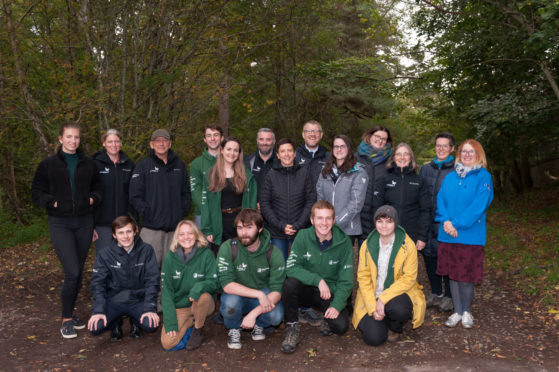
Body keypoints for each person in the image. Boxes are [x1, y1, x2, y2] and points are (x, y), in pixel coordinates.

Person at [31, 123, 102, 339]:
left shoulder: (89, 164)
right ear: (61, 139)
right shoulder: (48, 165)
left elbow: (99, 190)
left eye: (77, 137)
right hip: (60, 223)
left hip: (84, 222)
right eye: (69, 137)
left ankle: (71, 313)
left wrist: (92, 199)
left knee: (78, 271)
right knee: (72, 271)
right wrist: (52, 203)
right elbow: (36, 192)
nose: (73, 141)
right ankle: (66, 319)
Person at [281, 201, 354, 353]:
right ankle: (292, 327)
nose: (324, 223)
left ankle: (330, 315)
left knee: (340, 327)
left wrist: (337, 305)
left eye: (328, 218)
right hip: (308, 289)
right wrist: (317, 280)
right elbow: (292, 267)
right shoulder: (302, 236)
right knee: (289, 284)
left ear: (334, 220)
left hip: (330, 293)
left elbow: (346, 280)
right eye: (319, 218)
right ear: (312, 220)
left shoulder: (344, 242)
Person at [436, 139, 494, 329]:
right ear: (459, 154)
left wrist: (456, 224)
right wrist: (445, 221)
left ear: (478, 154)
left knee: (465, 276)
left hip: (470, 235)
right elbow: (441, 200)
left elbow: (478, 206)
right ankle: (457, 311)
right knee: (453, 274)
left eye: (472, 152)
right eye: (464, 151)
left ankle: (467, 311)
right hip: (447, 233)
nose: (467, 155)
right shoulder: (451, 177)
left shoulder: (483, 177)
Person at [352, 206, 426, 346]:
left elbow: (409, 278)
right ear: (375, 223)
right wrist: (373, 306)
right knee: (374, 339)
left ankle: (394, 326)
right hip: (372, 295)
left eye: (389, 221)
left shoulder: (407, 244)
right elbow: (363, 278)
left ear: (395, 223)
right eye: (380, 221)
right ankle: (379, 318)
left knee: (400, 310)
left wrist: (383, 299)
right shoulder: (367, 245)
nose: (384, 225)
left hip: (396, 295)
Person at [217, 209, 286, 350]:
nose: (244, 233)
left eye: (249, 227)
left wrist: (254, 313)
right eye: (240, 228)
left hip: (261, 297)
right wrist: (259, 294)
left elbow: (277, 292)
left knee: (276, 316)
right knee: (230, 303)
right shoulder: (228, 248)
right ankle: (234, 328)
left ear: (260, 229)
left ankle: (258, 323)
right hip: (237, 295)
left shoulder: (273, 252)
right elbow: (227, 285)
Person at [87, 216, 160, 340]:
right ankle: (115, 323)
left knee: (151, 325)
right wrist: (98, 310)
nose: (125, 236)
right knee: (95, 328)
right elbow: (97, 283)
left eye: (128, 231)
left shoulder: (146, 250)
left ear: (135, 231)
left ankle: (136, 322)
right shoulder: (105, 254)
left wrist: (149, 308)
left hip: (137, 299)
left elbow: (152, 280)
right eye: (120, 232)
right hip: (114, 300)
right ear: (114, 235)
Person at [129, 128, 191, 267]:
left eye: (165, 140)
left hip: (175, 229)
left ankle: (168, 290)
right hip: (152, 229)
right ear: (152, 144)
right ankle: (150, 291)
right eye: (158, 141)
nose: (161, 143)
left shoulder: (179, 166)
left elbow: (186, 192)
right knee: (149, 268)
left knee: (173, 268)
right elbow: (134, 195)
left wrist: (181, 212)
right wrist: (148, 213)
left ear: (170, 144)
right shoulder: (143, 166)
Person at [160, 220, 219, 351]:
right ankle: (190, 324)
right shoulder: (170, 257)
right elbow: (166, 293)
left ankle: (198, 329)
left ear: (197, 235)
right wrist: (170, 323)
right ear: (177, 237)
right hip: (180, 307)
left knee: (203, 296)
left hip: (202, 303)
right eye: (182, 234)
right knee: (168, 344)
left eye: (190, 233)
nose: (186, 237)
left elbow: (215, 282)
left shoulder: (206, 254)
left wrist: (198, 287)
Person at [260, 138, 317, 260]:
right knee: (280, 268)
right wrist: (281, 225)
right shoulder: (270, 175)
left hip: (301, 231)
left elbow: (310, 201)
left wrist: (298, 224)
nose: (286, 154)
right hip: (277, 232)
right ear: (278, 155)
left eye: (289, 150)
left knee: (301, 267)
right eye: (282, 151)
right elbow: (265, 204)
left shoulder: (304, 174)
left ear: (295, 153)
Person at [419, 132, 456, 312]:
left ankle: (449, 295)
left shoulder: (457, 169)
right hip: (427, 220)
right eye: (438, 145)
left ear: (452, 148)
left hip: (447, 222)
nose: (441, 149)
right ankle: (436, 292)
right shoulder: (425, 169)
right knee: (429, 256)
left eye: (445, 146)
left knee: (446, 258)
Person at [373, 143, 430, 253]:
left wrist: (422, 236)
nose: (402, 157)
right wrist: (377, 231)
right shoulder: (384, 180)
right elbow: (376, 207)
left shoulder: (420, 181)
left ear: (411, 157)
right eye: (398, 154)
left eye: (406, 154)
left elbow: (425, 210)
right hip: (386, 232)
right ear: (393, 157)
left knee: (407, 268)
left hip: (411, 234)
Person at [201, 136, 258, 248]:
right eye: (229, 149)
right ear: (221, 150)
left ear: (239, 153)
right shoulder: (211, 175)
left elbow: (252, 206)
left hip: (241, 224)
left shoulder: (247, 176)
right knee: (221, 261)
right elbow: (205, 204)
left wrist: (250, 226)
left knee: (240, 261)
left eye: (235, 150)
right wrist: (207, 230)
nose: (232, 153)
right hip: (219, 224)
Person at [316, 135, 369, 241]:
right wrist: (324, 220)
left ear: (349, 149)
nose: (339, 149)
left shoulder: (358, 172)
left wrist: (336, 222)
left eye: (342, 146)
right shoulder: (325, 171)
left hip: (347, 230)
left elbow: (356, 204)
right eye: (336, 146)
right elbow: (320, 198)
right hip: (325, 227)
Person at [92, 129, 136, 253]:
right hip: (102, 224)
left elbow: (133, 194)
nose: (113, 145)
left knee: (125, 260)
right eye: (110, 141)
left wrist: (134, 220)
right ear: (103, 143)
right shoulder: (94, 164)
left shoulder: (129, 165)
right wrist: (91, 225)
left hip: (124, 223)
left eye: (117, 141)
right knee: (105, 259)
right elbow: (89, 195)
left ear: (121, 143)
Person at [357, 126, 393, 242]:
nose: (380, 140)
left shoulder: (391, 161)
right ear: (369, 136)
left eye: (384, 139)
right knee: (363, 250)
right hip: (359, 213)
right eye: (377, 136)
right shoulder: (356, 158)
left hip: (381, 214)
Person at [190, 124, 223, 228]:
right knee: (204, 244)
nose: (212, 138)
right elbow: (196, 191)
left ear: (222, 138)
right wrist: (210, 211)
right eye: (209, 135)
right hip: (203, 215)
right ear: (205, 139)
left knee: (227, 244)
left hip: (226, 213)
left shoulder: (229, 160)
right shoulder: (196, 164)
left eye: (216, 135)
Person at [243, 128, 279, 205]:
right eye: (261, 139)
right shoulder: (247, 161)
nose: (264, 143)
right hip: (253, 210)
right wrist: (253, 204)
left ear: (274, 142)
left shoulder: (280, 161)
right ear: (257, 141)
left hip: (276, 211)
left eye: (268, 140)